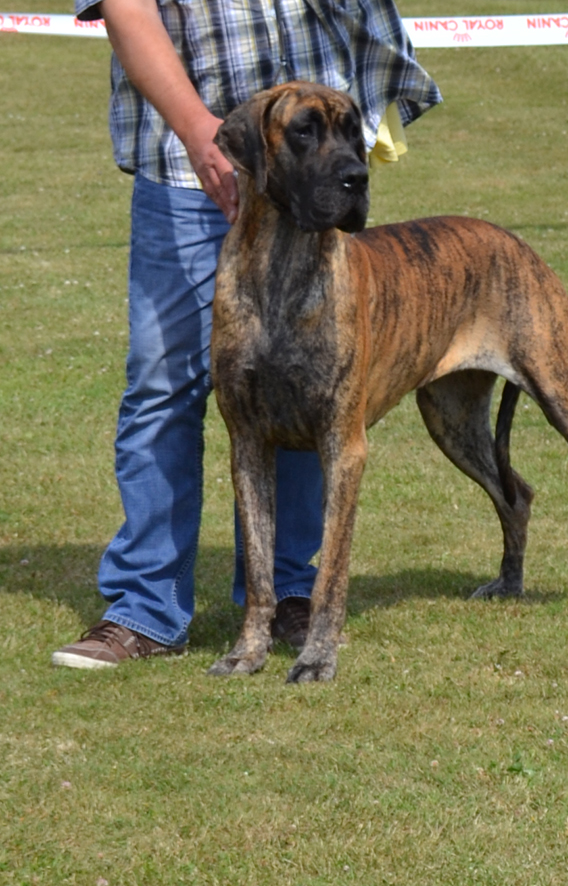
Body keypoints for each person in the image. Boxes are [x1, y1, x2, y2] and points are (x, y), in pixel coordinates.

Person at [52, 0, 441, 669]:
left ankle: (288, 590)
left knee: (312, 387)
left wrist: (340, 139)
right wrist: (197, 130)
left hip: (310, 158)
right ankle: (146, 608)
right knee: (163, 387)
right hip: (188, 164)